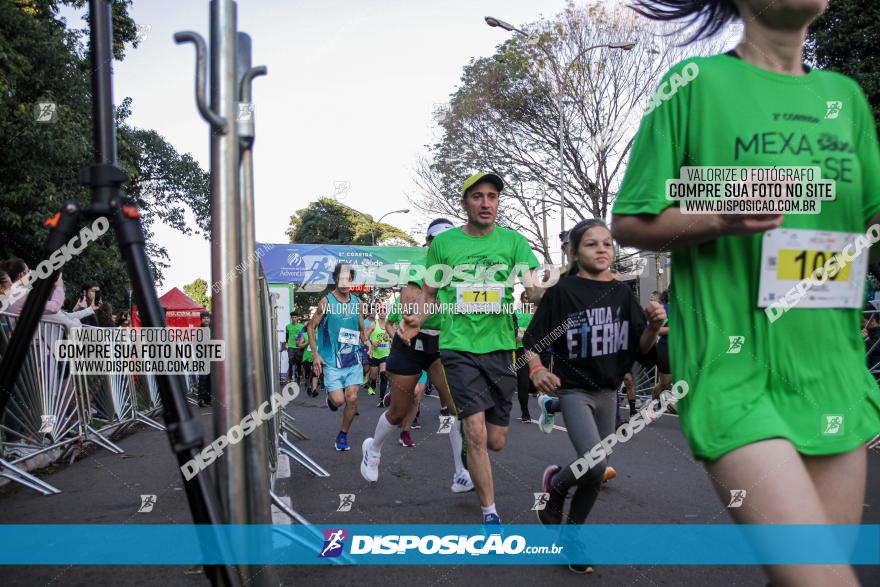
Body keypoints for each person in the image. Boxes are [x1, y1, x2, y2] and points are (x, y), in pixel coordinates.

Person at [612, 2, 880, 585]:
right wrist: (720, 217)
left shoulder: (846, 97)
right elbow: (630, 220)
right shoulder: (694, 85)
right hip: (736, 371)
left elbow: (867, 227)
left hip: (834, 371)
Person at [396, 175, 545, 526]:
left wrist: (553, 288)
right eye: (477, 196)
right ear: (465, 203)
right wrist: (416, 318)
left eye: (492, 196)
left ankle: (471, 434)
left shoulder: (513, 242)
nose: (486, 203)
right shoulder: (444, 245)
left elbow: (533, 288)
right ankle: (490, 513)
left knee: (496, 441)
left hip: (500, 348)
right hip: (458, 347)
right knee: (477, 434)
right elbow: (430, 295)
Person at [525, 219, 665, 574]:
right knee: (596, 464)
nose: (602, 249)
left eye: (608, 243)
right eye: (591, 244)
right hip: (573, 390)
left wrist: (650, 327)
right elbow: (531, 341)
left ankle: (571, 538)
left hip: (609, 391)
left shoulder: (621, 293)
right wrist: (537, 370)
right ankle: (556, 486)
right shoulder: (563, 292)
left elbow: (641, 349)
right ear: (573, 252)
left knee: (592, 473)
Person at [361, 218, 474, 493]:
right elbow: (413, 301)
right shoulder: (421, 266)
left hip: (444, 346)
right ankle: (373, 448)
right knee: (400, 411)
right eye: (441, 241)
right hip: (410, 345)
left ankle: (461, 471)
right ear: (430, 243)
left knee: (459, 410)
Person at [308, 262, 368, 451]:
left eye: (347, 279)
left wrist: (365, 339)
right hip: (332, 360)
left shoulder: (357, 303)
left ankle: (343, 434)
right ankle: (331, 400)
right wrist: (316, 355)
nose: (344, 282)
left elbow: (360, 324)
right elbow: (311, 326)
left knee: (352, 398)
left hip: (353, 358)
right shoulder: (326, 302)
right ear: (335, 279)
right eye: (340, 279)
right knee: (339, 400)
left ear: (351, 280)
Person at [514, 291, 535, 422]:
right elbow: (511, 331)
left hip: (536, 350)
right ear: (522, 300)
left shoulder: (536, 315)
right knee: (523, 382)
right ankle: (525, 412)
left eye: (529, 299)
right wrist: (515, 337)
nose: (527, 301)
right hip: (520, 349)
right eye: (525, 298)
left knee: (534, 384)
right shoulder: (516, 314)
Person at [652, 289, 672, 402]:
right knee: (664, 383)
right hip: (666, 348)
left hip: (681, 350)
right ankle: (651, 404)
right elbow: (657, 330)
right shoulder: (665, 308)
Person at [367, 305, 391, 399]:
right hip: (375, 354)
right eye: (380, 310)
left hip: (386, 353)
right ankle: (372, 383)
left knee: (383, 374)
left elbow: (394, 335)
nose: (382, 312)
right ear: (378, 312)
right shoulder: (373, 324)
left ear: (386, 312)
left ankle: (382, 398)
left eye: (384, 310)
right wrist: (372, 342)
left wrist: (390, 338)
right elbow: (365, 336)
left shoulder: (389, 324)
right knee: (373, 376)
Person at [197, 311, 213, 407]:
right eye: (204, 318)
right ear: (201, 320)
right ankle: (201, 399)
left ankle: (208, 399)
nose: (206, 319)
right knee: (203, 378)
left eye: (207, 318)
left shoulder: (213, 330)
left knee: (210, 379)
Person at [285, 312, 305, 383]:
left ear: (297, 318)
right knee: (290, 362)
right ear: (291, 318)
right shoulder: (288, 326)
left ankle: (299, 376)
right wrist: (286, 343)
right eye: (293, 317)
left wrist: (299, 337)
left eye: (295, 317)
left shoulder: (301, 326)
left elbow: (304, 335)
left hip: (298, 347)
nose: (294, 319)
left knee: (298, 363)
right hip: (291, 347)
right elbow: (287, 335)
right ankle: (290, 378)